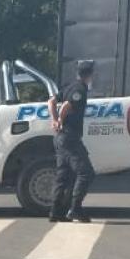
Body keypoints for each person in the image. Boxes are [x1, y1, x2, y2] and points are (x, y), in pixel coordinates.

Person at [47, 60, 97, 223]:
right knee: (86, 173)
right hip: (70, 137)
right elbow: (66, 106)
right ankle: (75, 209)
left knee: (64, 175)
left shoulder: (69, 86)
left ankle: (56, 212)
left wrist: (54, 120)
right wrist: (59, 120)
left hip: (61, 138)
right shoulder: (80, 90)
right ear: (90, 75)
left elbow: (51, 101)